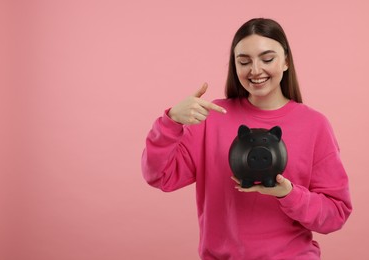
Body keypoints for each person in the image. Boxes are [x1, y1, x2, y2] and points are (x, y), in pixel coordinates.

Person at [141, 18, 352, 259]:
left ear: (286, 61)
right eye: (244, 61)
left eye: (267, 59)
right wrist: (171, 122)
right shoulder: (212, 118)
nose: (255, 70)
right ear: (235, 66)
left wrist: (287, 193)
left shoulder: (315, 125)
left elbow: (335, 214)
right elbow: (159, 176)